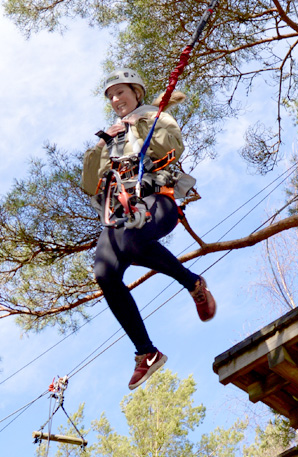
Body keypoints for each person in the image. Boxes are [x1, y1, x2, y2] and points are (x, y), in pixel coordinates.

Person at [79, 68, 216, 390]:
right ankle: (147, 352)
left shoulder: (154, 118)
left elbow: (171, 148)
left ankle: (193, 283)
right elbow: (89, 185)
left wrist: (140, 125)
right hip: (119, 213)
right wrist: (99, 147)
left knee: (132, 241)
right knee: (104, 274)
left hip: (156, 201)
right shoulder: (112, 136)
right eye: (111, 96)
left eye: (120, 93)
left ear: (136, 93)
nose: (115, 100)